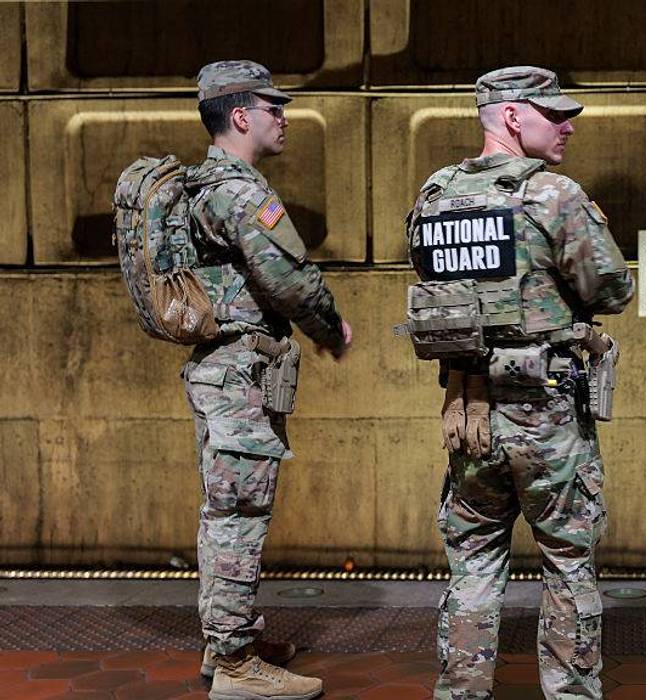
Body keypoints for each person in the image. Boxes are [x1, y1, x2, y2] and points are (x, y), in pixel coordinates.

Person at [404, 66, 634, 699]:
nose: (567, 126)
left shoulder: (434, 196)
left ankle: (462, 692)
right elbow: (611, 289)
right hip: (546, 410)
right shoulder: (555, 196)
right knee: (567, 560)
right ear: (510, 116)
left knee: (472, 560)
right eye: (551, 113)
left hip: (468, 409)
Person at [185, 59, 351, 700]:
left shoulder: (202, 184)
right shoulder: (241, 190)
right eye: (272, 106)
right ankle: (234, 666)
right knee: (240, 516)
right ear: (240, 115)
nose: (284, 117)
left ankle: (226, 642)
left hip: (217, 370)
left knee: (222, 510)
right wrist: (331, 328)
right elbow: (287, 278)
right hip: (239, 376)